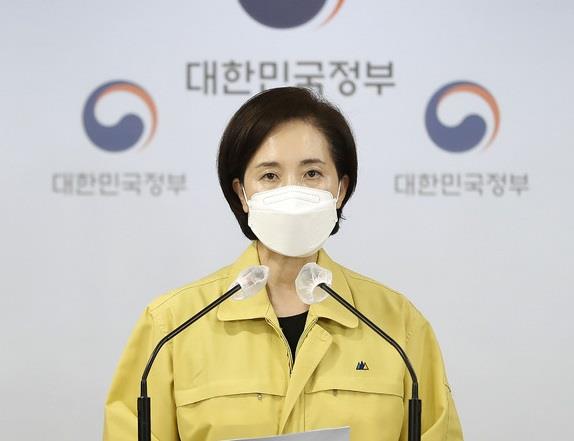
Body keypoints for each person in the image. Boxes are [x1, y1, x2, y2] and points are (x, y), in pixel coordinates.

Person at [104, 87, 464, 441]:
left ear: (340, 189)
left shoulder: (398, 325)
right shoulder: (172, 324)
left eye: (312, 174)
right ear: (242, 194)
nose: (292, 192)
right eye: (270, 176)